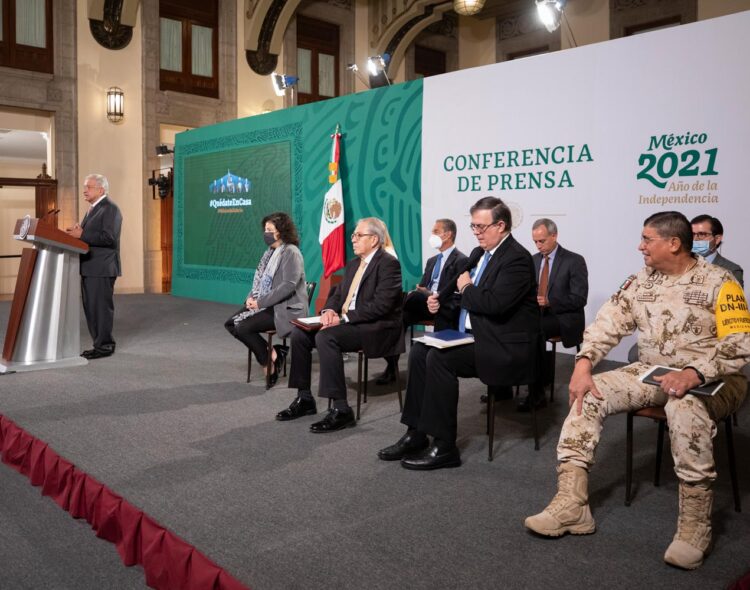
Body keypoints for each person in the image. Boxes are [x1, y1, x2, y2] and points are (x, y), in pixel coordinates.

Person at [524, 211, 750, 570]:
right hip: (652, 372)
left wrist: (694, 373)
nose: (639, 246)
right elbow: (607, 324)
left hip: (715, 379)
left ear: (673, 244)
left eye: (647, 239)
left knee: (684, 407)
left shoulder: (721, 283)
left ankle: (695, 526)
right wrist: (583, 364)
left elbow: (738, 347)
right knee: (589, 394)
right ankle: (572, 506)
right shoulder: (642, 282)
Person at [377, 197, 542, 469]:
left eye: (481, 227)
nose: (476, 232)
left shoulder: (517, 259)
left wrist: (465, 288)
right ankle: (416, 433)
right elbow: (467, 297)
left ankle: (444, 446)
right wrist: (441, 299)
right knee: (419, 351)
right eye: (473, 226)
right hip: (475, 336)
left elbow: (493, 305)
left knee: (440, 360)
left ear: (500, 225)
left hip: (503, 345)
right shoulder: (480, 255)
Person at [276, 217, 403, 431]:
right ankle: (304, 398)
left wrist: (343, 318)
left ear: (373, 239)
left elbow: (382, 306)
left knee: (326, 337)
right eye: (353, 235)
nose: (352, 239)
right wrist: (328, 311)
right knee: (299, 334)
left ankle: (342, 409)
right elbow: (338, 293)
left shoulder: (389, 264)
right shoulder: (354, 264)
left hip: (375, 327)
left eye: (358, 235)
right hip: (347, 322)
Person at [375, 218, 468, 385]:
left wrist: (431, 293)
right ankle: (391, 365)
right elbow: (424, 285)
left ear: (447, 235)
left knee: (409, 298)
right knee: (401, 315)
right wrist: (424, 291)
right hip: (424, 302)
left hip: (443, 304)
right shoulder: (432, 261)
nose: (432, 235)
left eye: (435, 232)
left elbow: (455, 293)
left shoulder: (461, 260)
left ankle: (388, 308)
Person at [224, 212, 307, 388]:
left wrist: (260, 303)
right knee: (231, 324)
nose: (266, 233)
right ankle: (274, 354)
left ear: (281, 231)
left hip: (286, 308)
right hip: (267, 304)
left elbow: (288, 285)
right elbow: (261, 281)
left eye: (270, 229)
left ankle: (268, 365)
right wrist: (251, 297)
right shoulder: (270, 252)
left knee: (243, 327)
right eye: (265, 229)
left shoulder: (291, 252)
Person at [517, 219, 588, 412]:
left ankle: (537, 394)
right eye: (535, 242)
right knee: (511, 326)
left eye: (542, 241)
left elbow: (579, 298)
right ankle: (503, 387)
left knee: (535, 331)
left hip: (563, 317)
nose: (538, 246)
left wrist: (550, 302)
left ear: (554, 236)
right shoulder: (532, 260)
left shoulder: (574, 260)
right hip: (537, 314)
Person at [65, 174, 122, 360]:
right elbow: (89, 235)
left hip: (102, 268)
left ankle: (105, 346)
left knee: (100, 309)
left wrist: (82, 234)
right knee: (91, 309)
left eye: (88, 187)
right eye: (84, 186)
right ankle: (98, 344)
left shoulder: (110, 209)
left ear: (101, 189)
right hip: (90, 267)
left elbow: (109, 238)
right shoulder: (93, 209)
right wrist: (78, 234)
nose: (85, 190)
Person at [690, 214, 743, 287]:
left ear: (717, 239)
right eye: (692, 234)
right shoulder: (680, 265)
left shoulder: (732, 270)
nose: (695, 239)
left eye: (702, 234)